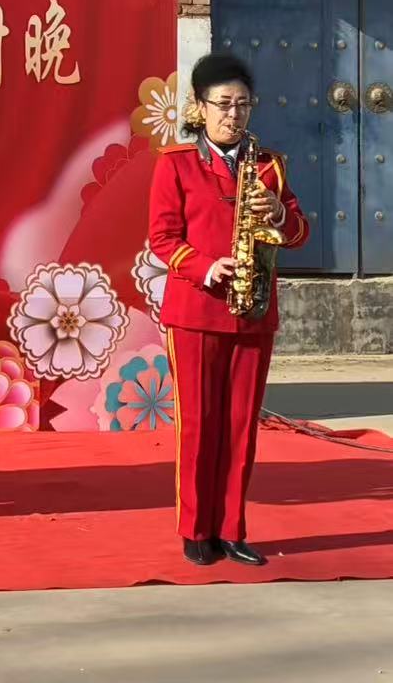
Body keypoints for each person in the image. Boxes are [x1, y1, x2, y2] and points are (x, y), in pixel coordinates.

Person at [148, 52, 307, 567]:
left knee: (241, 425)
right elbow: (162, 238)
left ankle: (232, 528)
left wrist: (278, 212)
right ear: (200, 107)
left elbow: (299, 233)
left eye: (243, 104)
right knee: (199, 424)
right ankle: (196, 529)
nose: (234, 115)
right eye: (223, 104)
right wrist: (204, 266)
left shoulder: (269, 166)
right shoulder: (176, 163)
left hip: (254, 310)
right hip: (196, 312)